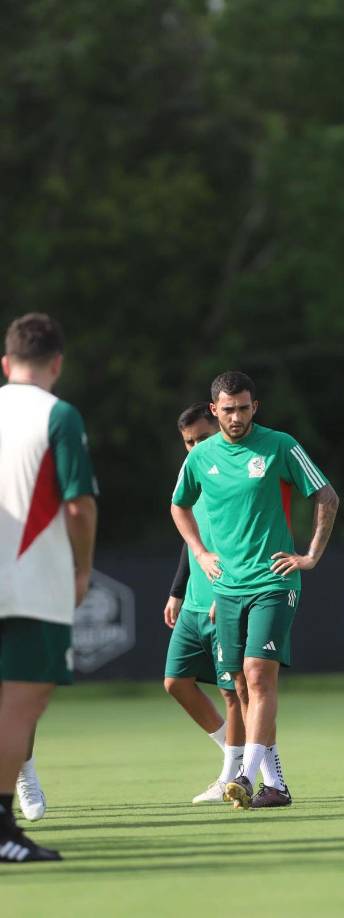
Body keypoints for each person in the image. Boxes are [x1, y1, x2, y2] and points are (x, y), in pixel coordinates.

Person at [171, 371, 339, 809]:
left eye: (244, 408)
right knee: (241, 686)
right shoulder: (201, 456)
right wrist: (201, 554)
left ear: (254, 407)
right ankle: (275, 784)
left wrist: (311, 555)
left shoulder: (280, 445)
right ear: (214, 410)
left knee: (259, 673)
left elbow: (326, 496)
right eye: (228, 410)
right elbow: (178, 505)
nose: (237, 417)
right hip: (227, 589)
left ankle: (245, 777)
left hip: (273, 581)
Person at [0, 313, 97, 862]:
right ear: (57, 363)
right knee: (19, 703)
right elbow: (78, 506)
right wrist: (81, 569)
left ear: (6, 362)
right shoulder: (57, 415)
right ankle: (2, 828)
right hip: (31, 581)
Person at [163, 402, 246, 803]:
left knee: (234, 691)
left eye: (203, 438)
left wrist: (227, 593)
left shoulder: (233, 472)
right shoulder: (195, 471)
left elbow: (242, 538)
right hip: (194, 598)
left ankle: (234, 773)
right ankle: (235, 751)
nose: (196, 447)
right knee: (176, 682)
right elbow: (193, 536)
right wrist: (178, 590)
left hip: (225, 595)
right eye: (189, 442)